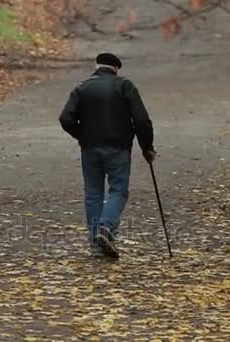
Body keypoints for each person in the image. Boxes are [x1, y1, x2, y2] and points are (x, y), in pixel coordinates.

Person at [59, 52, 157, 259]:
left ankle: (96, 245)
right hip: (118, 148)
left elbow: (66, 119)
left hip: (90, 149)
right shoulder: (124, 86)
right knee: (118, 190)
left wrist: (82, 135)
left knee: (93, 194)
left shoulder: (82, 87)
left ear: (97, 66)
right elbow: (141, 121)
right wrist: (146, 146)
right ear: (116, 69)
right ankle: (106, 228)